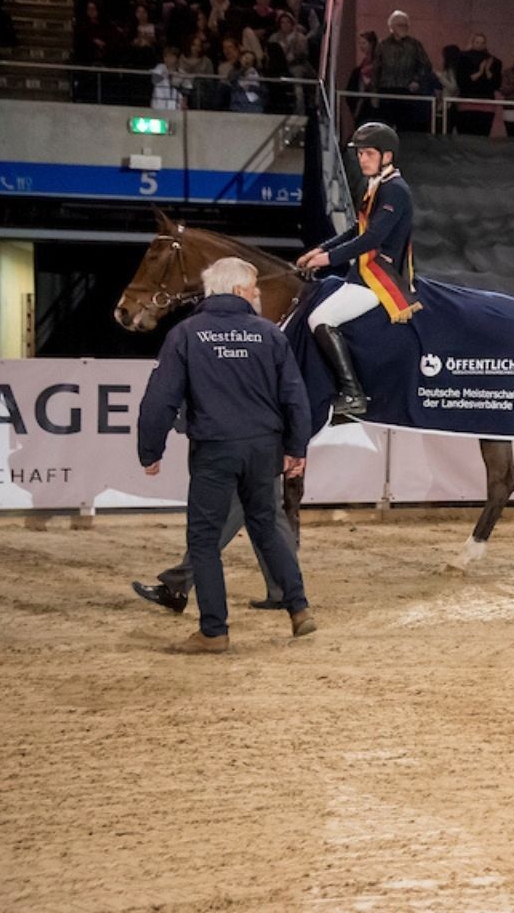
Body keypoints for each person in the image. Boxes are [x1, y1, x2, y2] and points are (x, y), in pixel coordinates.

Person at [136, 257, 314, 652]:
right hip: (263, 447)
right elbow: (294, 397)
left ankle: (214, 632)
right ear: (236, 291)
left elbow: (159, 399)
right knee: (266, 527)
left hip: (215, 449)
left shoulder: (186, 334)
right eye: (254, 290)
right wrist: (296, 448)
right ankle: (299, 609)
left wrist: (150, 450)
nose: (257, 295)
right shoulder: (270, 335)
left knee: (202, 539)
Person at [294, 122, 420, 416]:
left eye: (368, 154)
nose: (362, 159)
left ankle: (353, 393)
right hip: (363, 273)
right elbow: (357, 228)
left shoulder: (395, 190)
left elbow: (373, 238)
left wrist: (328, 260)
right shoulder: (377, 185)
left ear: (386, 156)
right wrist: (321, 248)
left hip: (381, 278)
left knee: (320, 318)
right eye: (360, 154)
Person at [132, 480, 298, 612]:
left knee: (230, 514)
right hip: (267, 447)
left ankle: (177, 586)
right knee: (269, 513)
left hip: (245, 447)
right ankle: (286, 591)